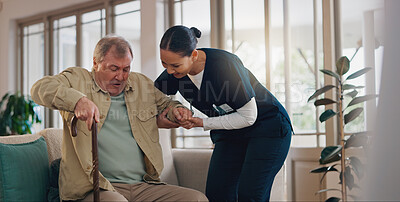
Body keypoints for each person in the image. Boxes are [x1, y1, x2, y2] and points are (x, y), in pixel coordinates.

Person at [30, 35, 207, 202]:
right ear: (96, 63)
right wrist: (78, 101)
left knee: (196, 199)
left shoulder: (140, 84)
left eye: (126, 69)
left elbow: (166, 104)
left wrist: (178, 111)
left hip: (143, 185)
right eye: (114, 69)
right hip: (97, 188)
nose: (121, 76)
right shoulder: (78, 80)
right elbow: (40, 88)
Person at [154, 25, 293, 202]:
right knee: (218, 194)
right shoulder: (174, 74)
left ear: (194, 55)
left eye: (175, 65)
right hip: (230, 133)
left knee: (250, 195)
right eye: (164, 64)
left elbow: (249, 116)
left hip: (267, 128)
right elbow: (153, 99)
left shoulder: (225, 66)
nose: (170, 71)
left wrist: (201, 122)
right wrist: (174, 113)